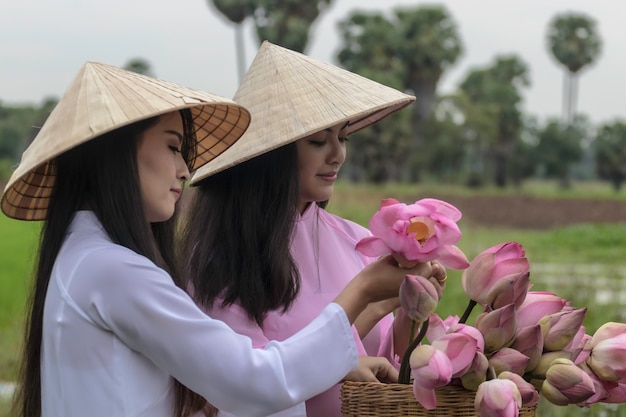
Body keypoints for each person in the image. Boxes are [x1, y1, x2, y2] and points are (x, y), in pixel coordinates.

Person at [1, 61, 429, 417]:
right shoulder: (113, 270)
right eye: (172, 147)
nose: (185, 170)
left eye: (343, 138)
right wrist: (361, 294)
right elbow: (255, 382)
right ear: (116, 156)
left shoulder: (84, 258)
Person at [182, 41, 448, 417]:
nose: (337, 154)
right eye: (318, 140)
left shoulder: (359, 241)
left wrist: (410, 311)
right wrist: (334, 367)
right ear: (270, 154)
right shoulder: (225, 260)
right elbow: (245, 386)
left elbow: (385, 363)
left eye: (343, 137)